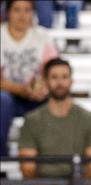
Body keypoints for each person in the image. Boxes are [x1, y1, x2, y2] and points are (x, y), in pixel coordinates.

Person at [16, 57, 91, 185]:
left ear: (71, 81)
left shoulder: (89, 119)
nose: (60, 82)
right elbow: (27, 169)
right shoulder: (32, 120)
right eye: (54, 77)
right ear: (46, 81)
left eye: (64, 77)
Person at [1, 0, 58, 157]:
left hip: (36, 95)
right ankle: (2, 158)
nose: (22, 15)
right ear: (8, 13)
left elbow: (53, 70)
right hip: (8, 95)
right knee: (2, 100)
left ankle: (48, 159)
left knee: (56, 96)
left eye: (27, 10)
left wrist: (42, 87)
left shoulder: (42, 36)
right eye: (17, 10)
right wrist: (21, 89)